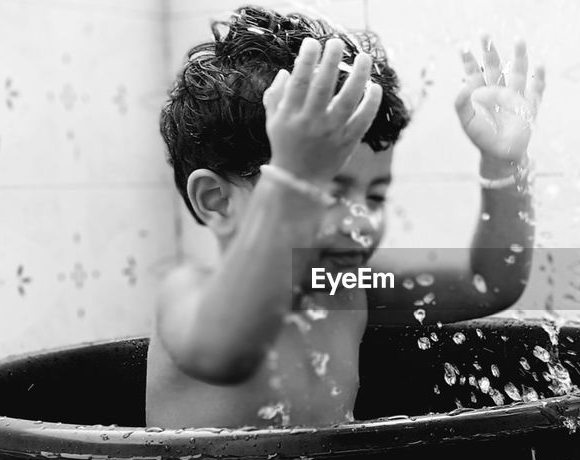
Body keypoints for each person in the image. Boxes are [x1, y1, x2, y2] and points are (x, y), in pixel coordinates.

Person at [149, 6, 546, 428]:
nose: (362, 223)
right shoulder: (187, 296)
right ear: (216, 200)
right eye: (324, 191)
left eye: (374, 197)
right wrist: (294, 181)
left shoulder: (341, 287)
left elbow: (489, 283)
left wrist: (504, 166)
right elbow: (229, 350)